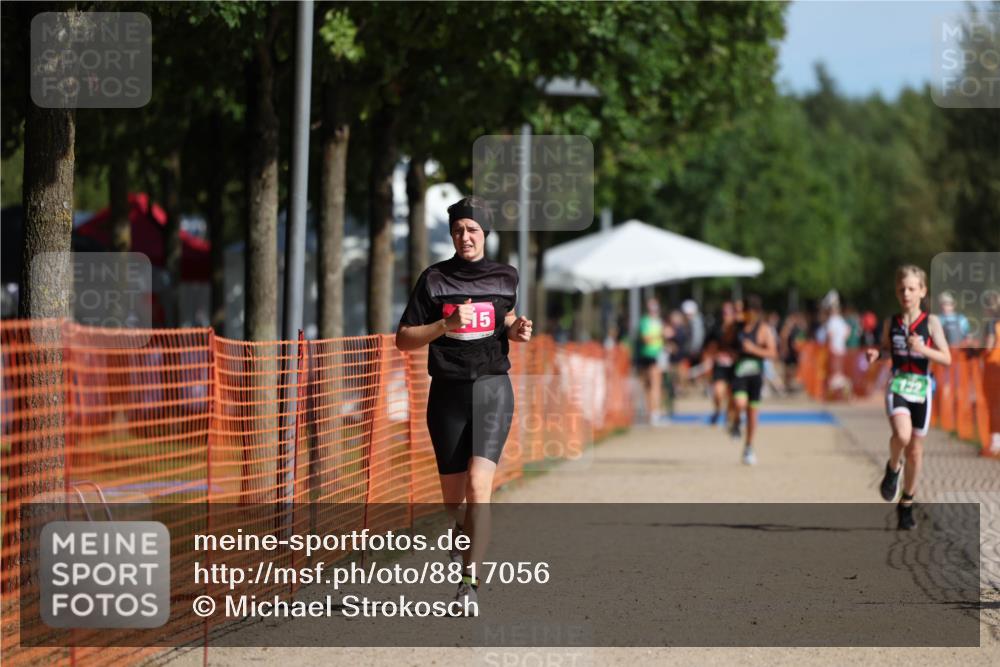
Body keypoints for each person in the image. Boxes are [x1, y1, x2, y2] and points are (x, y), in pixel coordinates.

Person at [395, 196, 532, 612]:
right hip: (447, 393)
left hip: (492, 387)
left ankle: (468, 585)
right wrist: (445, 325)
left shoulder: (506, 276)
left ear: (485, 233)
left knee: (478, 487)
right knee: (454, 502)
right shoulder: (434, 279)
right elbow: (404, 338)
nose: (465, 237)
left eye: (472, 230)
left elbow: (504, 317)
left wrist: (517, 328)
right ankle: (460, 527)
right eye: (458, 230)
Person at [865, 265, 951, 530]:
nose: (906, 294)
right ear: (896, 291)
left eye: (912, 289)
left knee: (914, 451)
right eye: (902, 289)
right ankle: (893, 468)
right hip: (899, 385)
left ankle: (906, 504)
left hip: (922, 388)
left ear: (922, 291)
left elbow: (946, 358)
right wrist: (877, 355)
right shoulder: (891, 322)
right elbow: (886, 350)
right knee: (901, 436)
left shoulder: (931, 322)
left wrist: (923, 349)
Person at [730, 295, 777, 464]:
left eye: (751, 311)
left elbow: (772, 353)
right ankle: (736, 421)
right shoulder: (737, 327)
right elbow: (725, 342)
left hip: (756, 375)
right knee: (739, 403)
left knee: (752, 413)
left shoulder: (763, 329)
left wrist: (754, 349)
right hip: (739, 373)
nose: (748, 315)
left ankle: (749, 447)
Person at [704, 301, 738, 427]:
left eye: (728, 312)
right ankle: (717, 410)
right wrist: (711, 356)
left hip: (735, 366)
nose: (726, 315)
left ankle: (729, 416)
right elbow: (708, 346)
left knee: (732, 394)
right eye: (724, 312)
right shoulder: (716, 328)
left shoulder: (738, 329)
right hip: (720, 365)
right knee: (718, 392)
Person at [635, 297, 666, 424]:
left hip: (657, 355)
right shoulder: (645, 321)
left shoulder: (659, 321)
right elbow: (646, 339)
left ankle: (654, 412)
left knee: (654, 384)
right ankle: (652, 413)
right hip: (648, 355)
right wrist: (660, 335)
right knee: (651, 385)